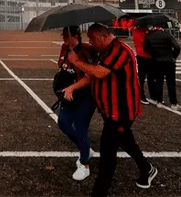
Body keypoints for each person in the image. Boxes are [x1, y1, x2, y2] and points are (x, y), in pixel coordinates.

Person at [67, 24, 156, 196]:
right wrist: (73, 85)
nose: (90, 43)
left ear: (102, 36)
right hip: (110, 110)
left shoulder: (119, 50)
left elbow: (100, 73)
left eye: (92, 39)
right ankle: (147, 169)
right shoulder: (105, 51)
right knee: (126, 141)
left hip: (121, 111)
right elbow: (92, 75)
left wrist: (76, 62)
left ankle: (99, 192)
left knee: (107, 153)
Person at [57, 26, 95, 181]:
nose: (64, 39)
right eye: (63, 36)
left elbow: (90, 75)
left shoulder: (86, 50)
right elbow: (61, 66)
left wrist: (76, 62)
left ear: (75, 36)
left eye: (66, 36)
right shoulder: (64, 48)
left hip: (85, 95)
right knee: (63, 123)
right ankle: (85, 148)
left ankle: (85, 164)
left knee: (81, 127)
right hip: (68, 94)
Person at [144, 27, 181, 110]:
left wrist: (154, 54)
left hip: (157, 61)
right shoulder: (167, 34)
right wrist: (173, 56)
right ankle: (174, 103)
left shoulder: (149, 36)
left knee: (159, 82)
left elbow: (146, 49)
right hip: (169, 60)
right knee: (171, 82)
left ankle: (159, 101)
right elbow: (177, 47)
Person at [131, 26, 151, 105]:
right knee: (142, 77)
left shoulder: (145, 30)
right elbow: (143, 41)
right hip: (142, 56)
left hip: (149, 56)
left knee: (151, 76)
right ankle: (140, 94)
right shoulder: (137, 31)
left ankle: (153, 94)